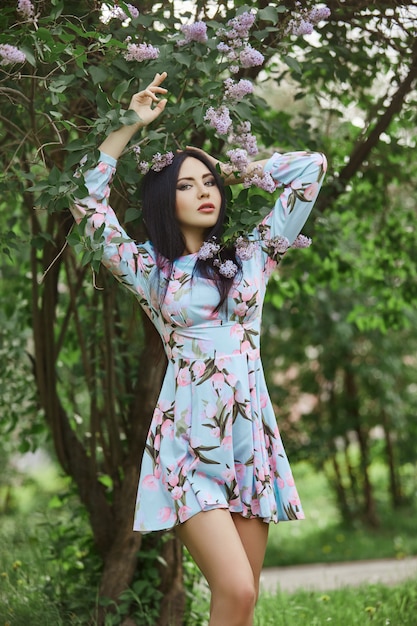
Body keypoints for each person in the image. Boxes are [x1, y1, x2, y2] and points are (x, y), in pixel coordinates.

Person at [71, 72, 327, 626]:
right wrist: (128, 126)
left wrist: (236, 167)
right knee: (234, 591)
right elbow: (86, 204)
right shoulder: (150, 270)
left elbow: (311, 168)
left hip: (248, 437)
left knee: (243, 603)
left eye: (208, 182)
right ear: (166, 199)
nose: (204, 191)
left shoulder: (252, 254)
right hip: (188, 443)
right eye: (187, 184)